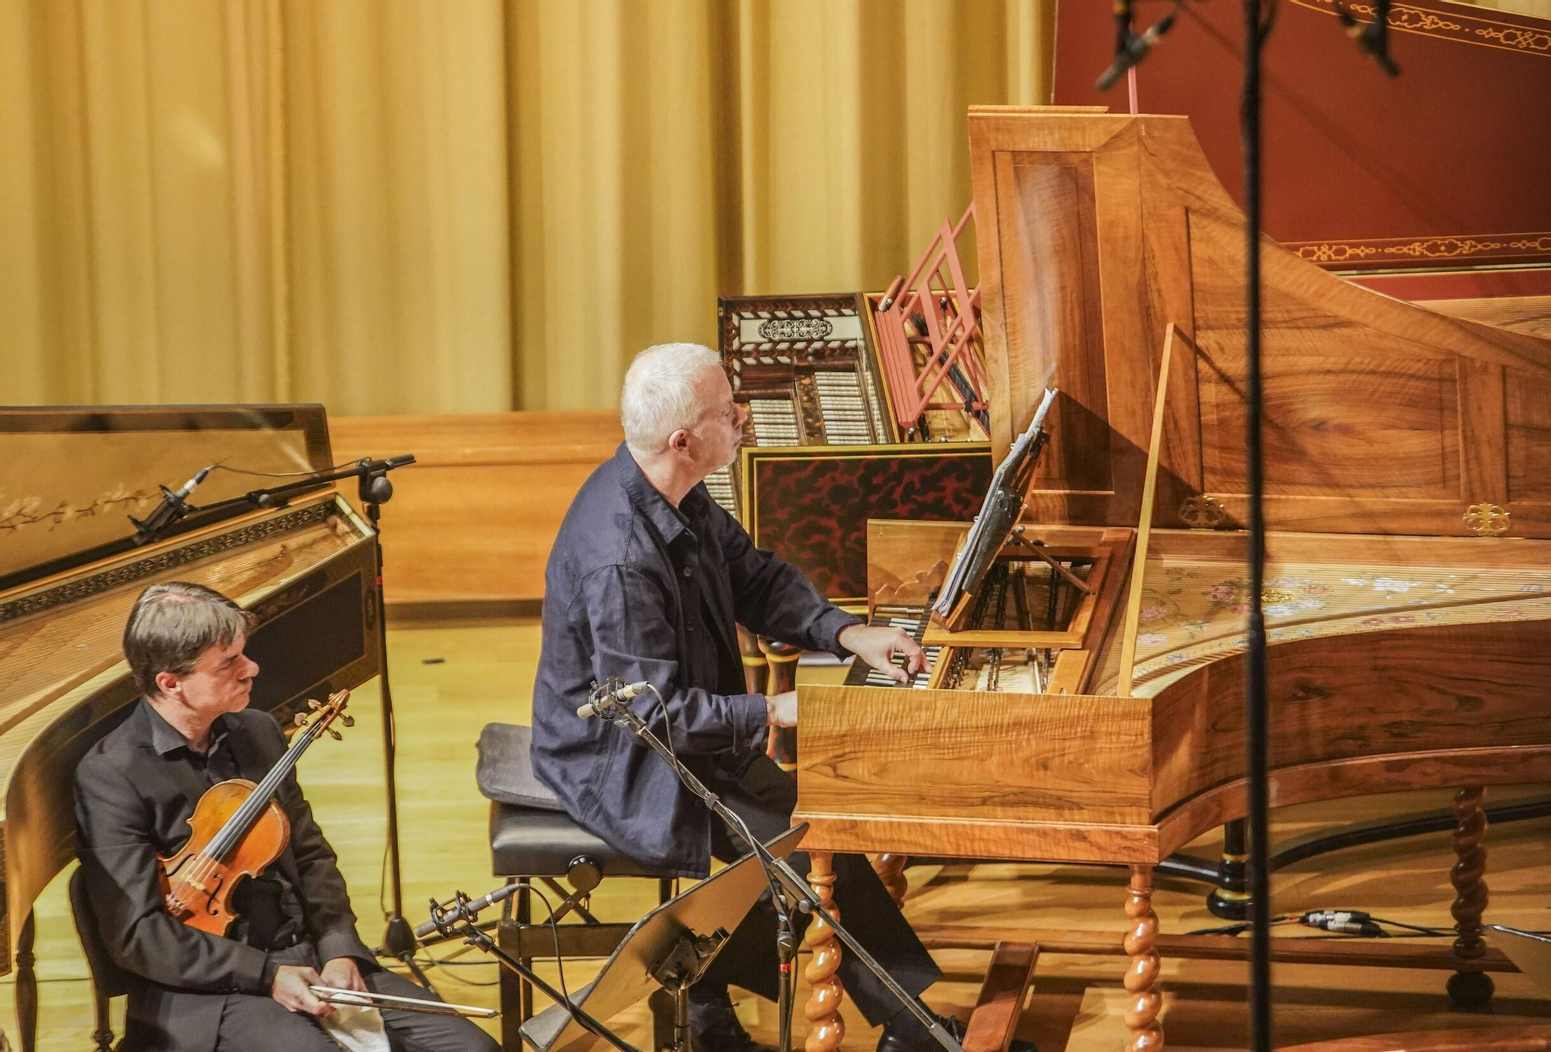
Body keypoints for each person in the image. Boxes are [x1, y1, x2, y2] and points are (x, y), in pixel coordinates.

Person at [533, 343, 955, 1052]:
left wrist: (848, 632)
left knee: (808, 836)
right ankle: (908, 1034)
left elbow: (756, 578)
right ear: (684, 439)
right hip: (617, 759)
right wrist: (771, 710)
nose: (745, 418)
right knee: (806, 846)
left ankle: (889, 1030)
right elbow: (653, 715)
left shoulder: (675, 492)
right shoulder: (621, 557)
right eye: (729, 411)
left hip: (685, 734)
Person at [74, 582, 498, 1052]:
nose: (250, 668)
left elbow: (311, 854)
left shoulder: (257, 732)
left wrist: (338, 947)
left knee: (473, 1049)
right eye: (228, 662)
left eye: (243, 653)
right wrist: (267, 974)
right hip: (211, 988)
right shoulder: (111, 775)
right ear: (171, 683)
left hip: (308, 953)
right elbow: (138, 936)